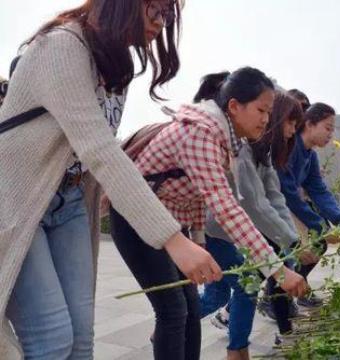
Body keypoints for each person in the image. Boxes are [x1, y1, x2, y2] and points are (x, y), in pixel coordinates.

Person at [0, 1, 224, 359]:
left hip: (70, 201)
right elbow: (101, 150)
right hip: (19, 199)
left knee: (83, 340)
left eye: (168, 14)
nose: (161, 21)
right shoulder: (60, 45)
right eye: (157, 7)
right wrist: (173, 240)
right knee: (52, 339)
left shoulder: (114, 66)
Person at [109, 68, 307, 360]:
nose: (267, 119)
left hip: (171, 226)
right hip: (136, 220)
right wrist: (278, 270)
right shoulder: (201, 133)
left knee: (189, 308)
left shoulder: (224, 138)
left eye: (269, 111)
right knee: (173, 311)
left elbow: (198, 197)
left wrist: (198, 241)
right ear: (234, 106)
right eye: (261, 110)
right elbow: (228, 209)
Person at [200, 91, 304, 359]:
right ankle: (237, 351)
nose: (292, 131)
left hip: (230, 232)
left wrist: (289, 237)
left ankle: (173, 318)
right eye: (290, 123)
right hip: (215, 230)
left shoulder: (264, 153)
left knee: (216, 295)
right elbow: (255, 206)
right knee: (247, 285)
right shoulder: (243, 150)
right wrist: (289, 241)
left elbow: (275, 197)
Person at [276, 102, 340, 308]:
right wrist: (322, 228)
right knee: (294, 252)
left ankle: (297, 289)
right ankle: (279, 297)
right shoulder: (291, 147)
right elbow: (289, 194)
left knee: (317, 244)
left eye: (332, 129)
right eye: (327, 128)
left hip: (289, 205)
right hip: (277, 207)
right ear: (309, 124)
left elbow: (319, 190)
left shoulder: (311, 156)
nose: (330, 135)